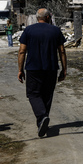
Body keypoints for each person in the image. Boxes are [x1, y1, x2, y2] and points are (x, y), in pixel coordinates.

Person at [17, 8, 67, 137]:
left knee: (33, 94)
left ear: (36, 17)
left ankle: (42, 117)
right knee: (47, 95)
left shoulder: (28, 30)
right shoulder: (55, 30)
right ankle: (42, 122)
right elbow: (62, 51)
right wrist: (64, 69)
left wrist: (20, 70)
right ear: (48, 17)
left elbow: (22, 51)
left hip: (33, 68)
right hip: (51, 68)